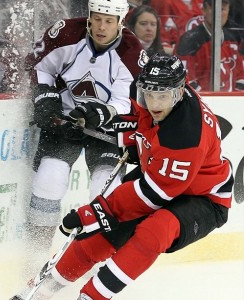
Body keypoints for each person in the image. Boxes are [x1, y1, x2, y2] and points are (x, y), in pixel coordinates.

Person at [31, 53, 234, 300]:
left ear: (179, 93)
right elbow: (140, 121)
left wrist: (94, 211)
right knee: (104, 234)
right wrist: (100, 118)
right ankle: (45, 288)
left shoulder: (185, 135)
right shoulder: (163, 95)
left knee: (155, 231)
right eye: (149, 94)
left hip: (204, 197)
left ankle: (92, 296)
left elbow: (152, 195)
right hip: (162, 175)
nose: (155, 103)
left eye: (162, 96)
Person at [24, 0, 148, 252]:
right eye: (97, 18)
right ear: (89, 16)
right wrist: (45, 95)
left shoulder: (132, 52)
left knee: (105, 189)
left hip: (107, 129)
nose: (101, 26)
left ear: (121, 22)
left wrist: (105, 112)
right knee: (50, 177)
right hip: (65, 122)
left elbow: (125, 101)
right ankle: (35, 252)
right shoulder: (66, 33)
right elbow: (39, 67)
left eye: (109, 21)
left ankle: (96, 254)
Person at [175, 0, 244, 91]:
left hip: (229, 102)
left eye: (223, 9)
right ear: (204, 10)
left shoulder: (232, 39)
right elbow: (185, 80)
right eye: (214, 8)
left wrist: (232, 100)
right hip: (203, 102)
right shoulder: (189, 40)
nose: (218, 13)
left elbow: (240, 76)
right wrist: (209, 100)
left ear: (228, 12)